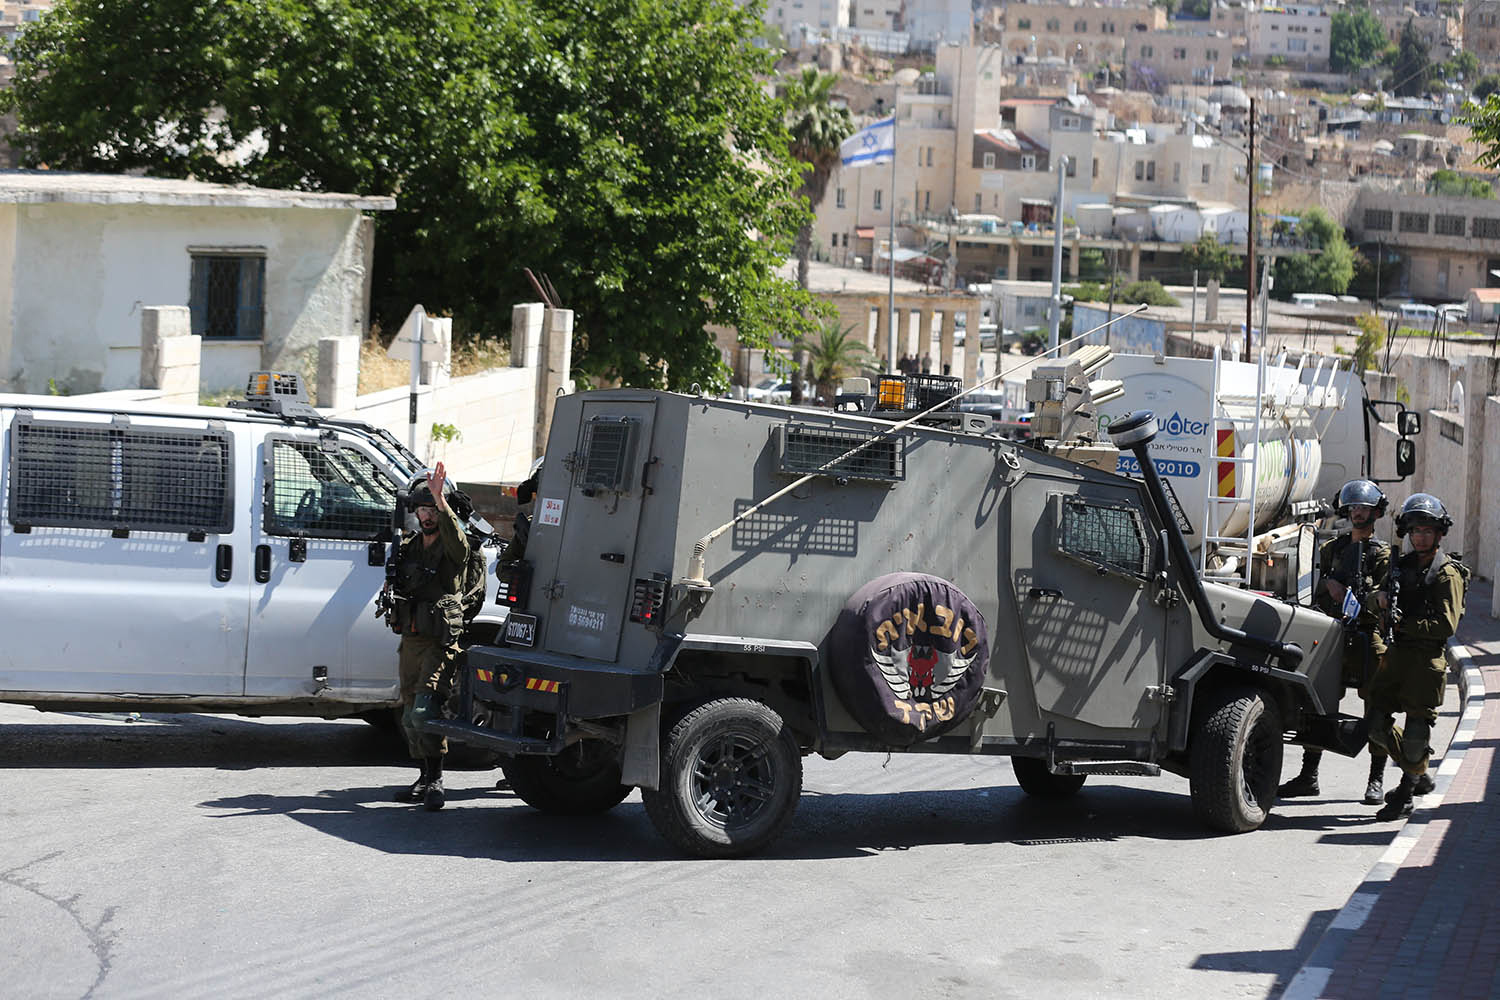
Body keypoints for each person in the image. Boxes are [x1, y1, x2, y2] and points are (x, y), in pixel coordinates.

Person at [1279, 480, 1392, 804]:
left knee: (1378, 707)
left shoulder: (1382, 555)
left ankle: (1375, 780)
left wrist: (1363, 598)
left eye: (1365, 508)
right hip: (1332, 632)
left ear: (1376, 512)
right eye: (1353, 507)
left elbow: (1387, 595)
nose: (1358, 512)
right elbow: (1308, 584)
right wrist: (1329, 585)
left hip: (1368, 635)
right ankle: (1308, 775)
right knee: (1316, 702)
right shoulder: (1333, 550)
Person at [1365, 493, 1465, 821]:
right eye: (1415, 530)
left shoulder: (1445, 573)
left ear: (1439, 534)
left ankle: (1406, 790)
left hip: (1425, 663)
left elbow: (1446, 625)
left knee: (1414, 737)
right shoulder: (1400, 567)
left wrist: (1404, 622)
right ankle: (1418, 771)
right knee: (1376, 726)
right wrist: (1378, 601)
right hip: (1396, 658)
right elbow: (1373, 601)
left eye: (1427, 531)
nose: (1420, 537)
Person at [385, 460, 471, 811]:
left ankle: (436, 779)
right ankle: (423, 775)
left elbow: (461, 547)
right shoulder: (410, 545)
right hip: (412, 637)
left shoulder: (450, 548)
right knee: (408, 715)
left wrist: (443, 501)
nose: (427, 515)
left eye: (432, 508)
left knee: (424, 711)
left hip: (438, 640)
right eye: (422, 508)